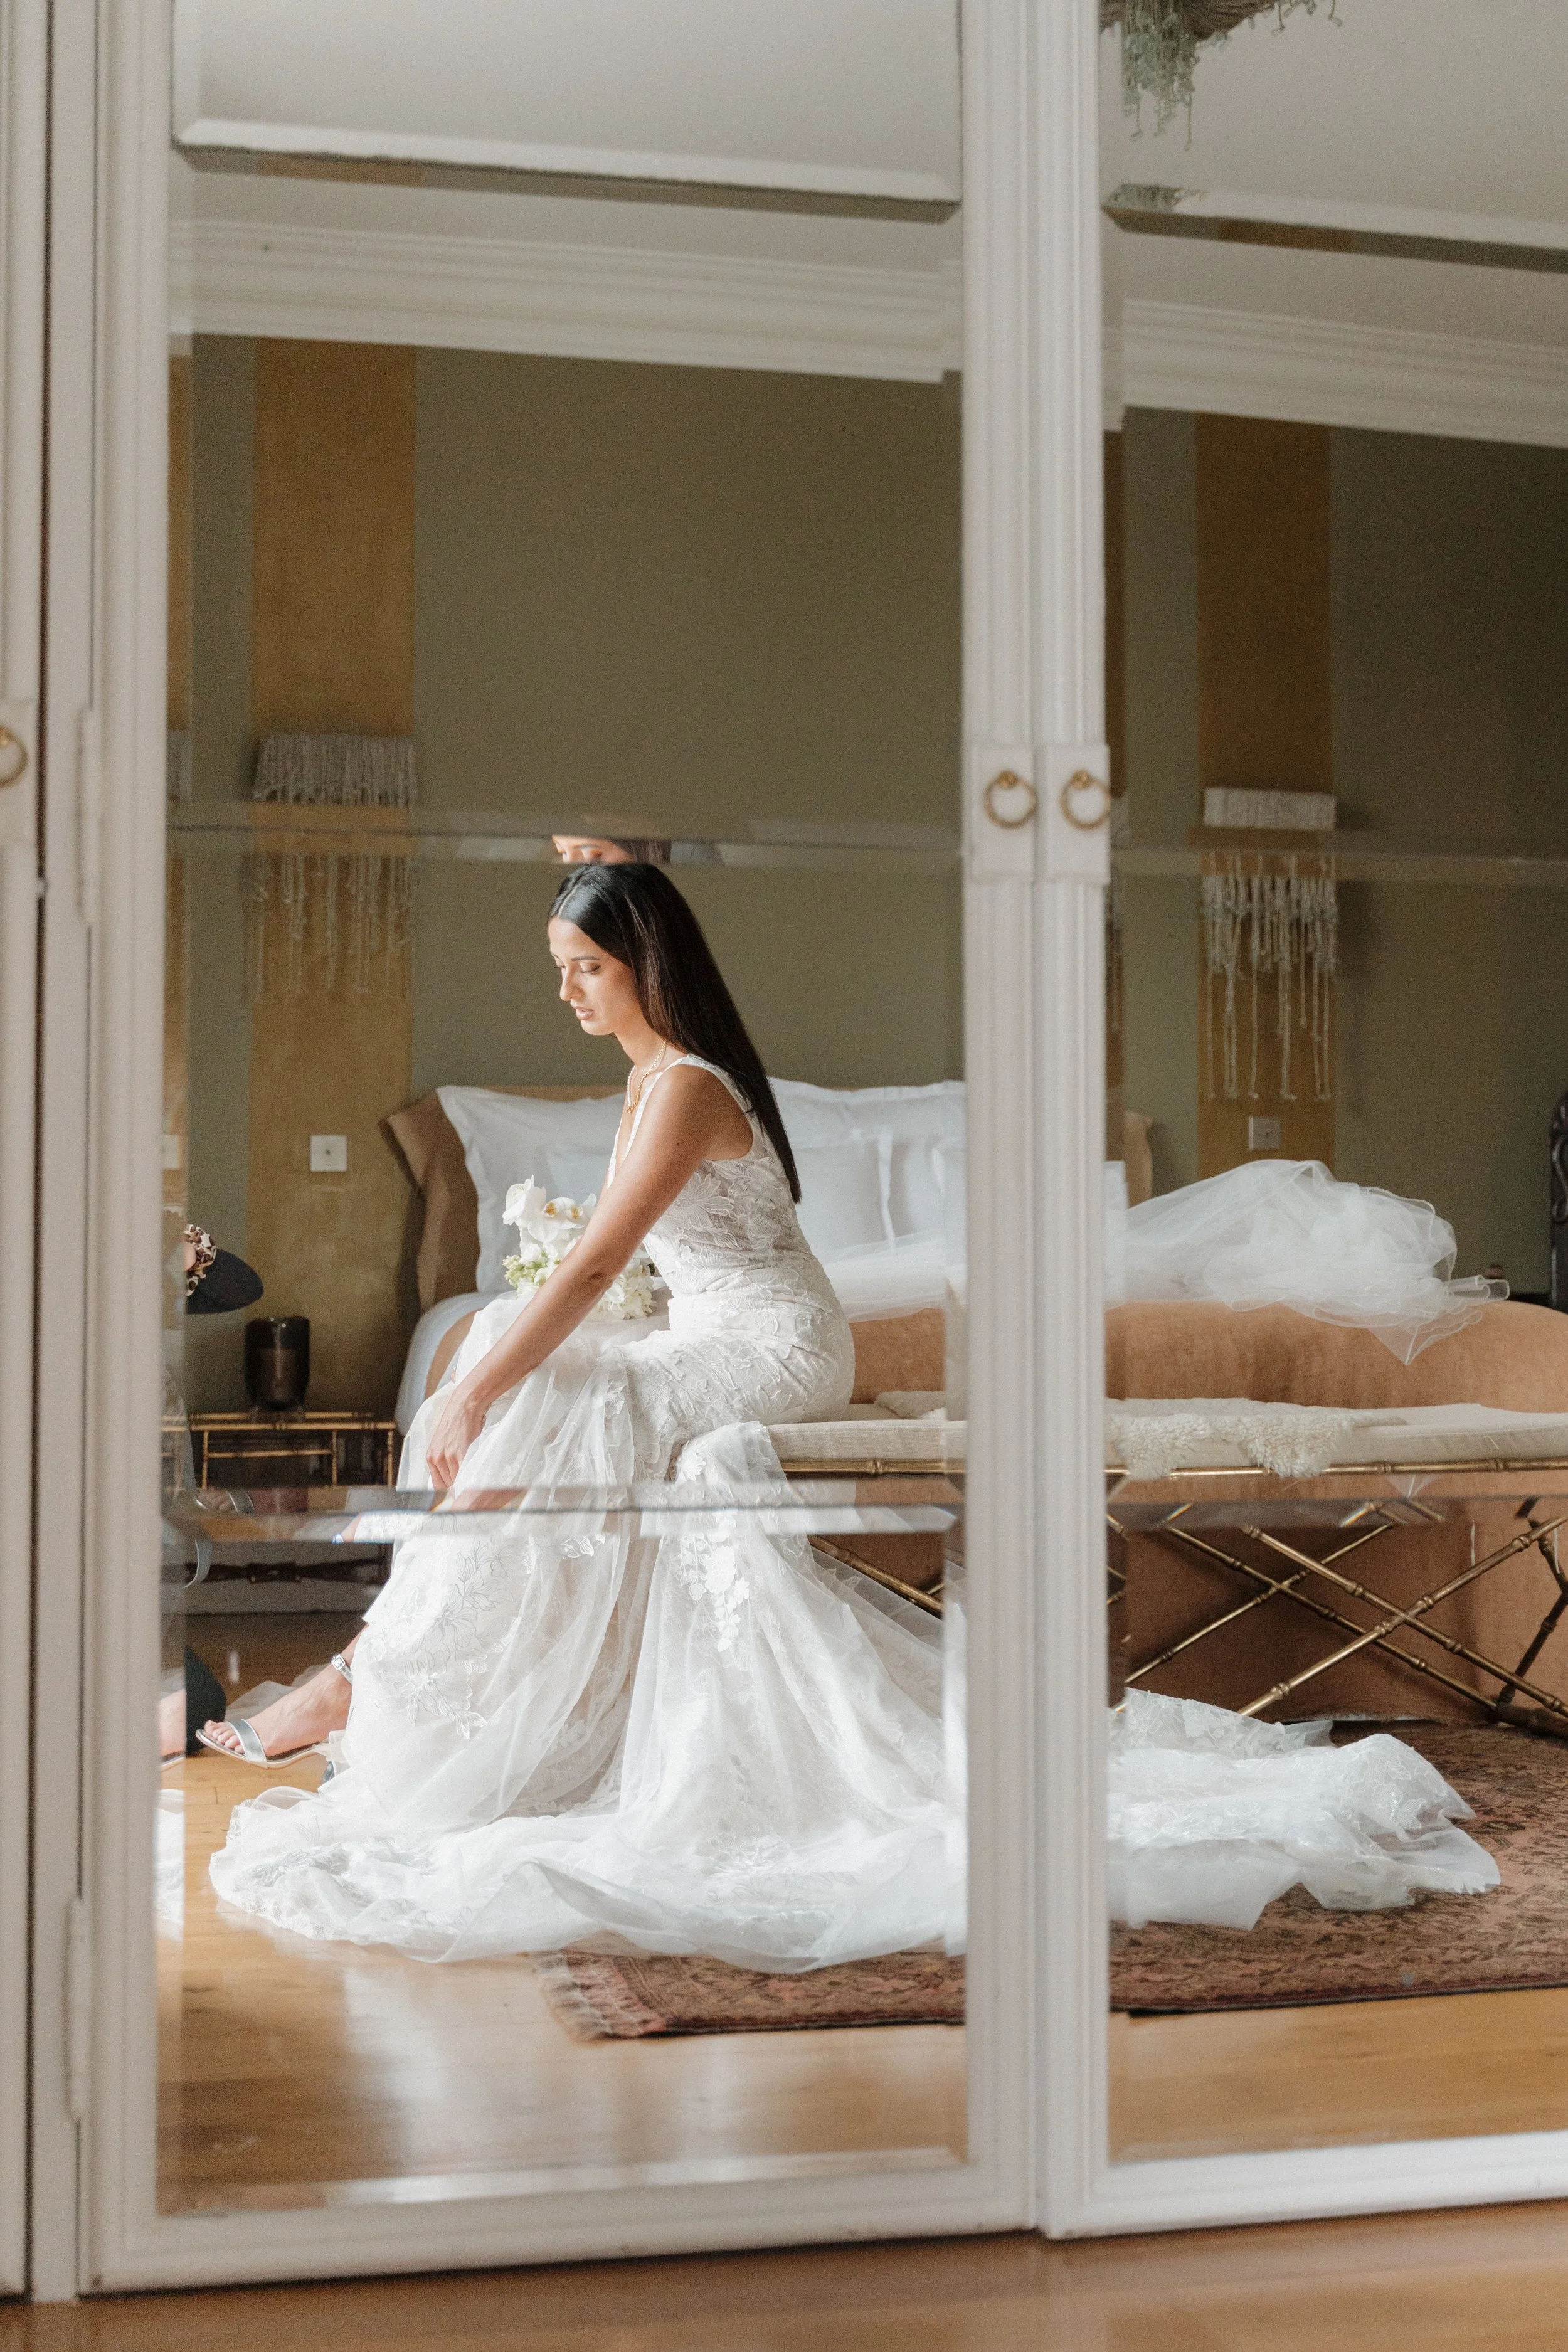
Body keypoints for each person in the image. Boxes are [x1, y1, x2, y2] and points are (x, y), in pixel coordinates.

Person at [201, 864, 956, 1970]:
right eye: (560, 970)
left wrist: (473, 1384)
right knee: (554, 1383)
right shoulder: (646, 1083)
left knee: (554, 1390)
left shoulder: (692, 1083)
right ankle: (381, 1681)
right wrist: (500, 1364)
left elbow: (602, 1262)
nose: (567, 993)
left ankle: (354, 1684)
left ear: (647, 963)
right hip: (707, 1328)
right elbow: (626, 1265)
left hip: (779, 1346)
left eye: (585, 968)